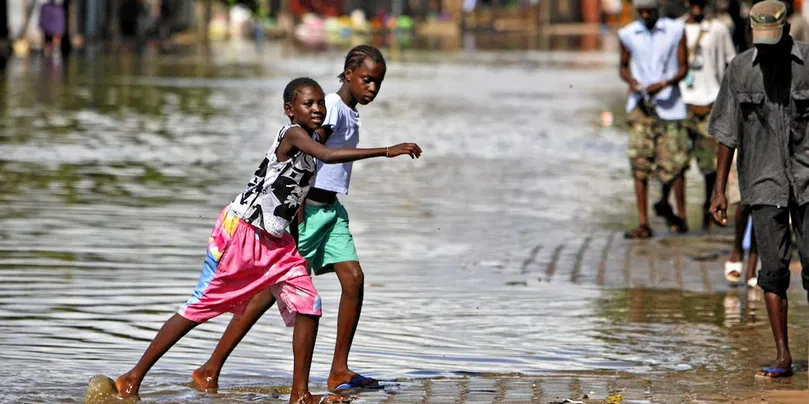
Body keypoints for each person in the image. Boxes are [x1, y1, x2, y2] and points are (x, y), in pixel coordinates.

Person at [110, 77, 422, 403]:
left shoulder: (315, 133)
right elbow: (326, 156)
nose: (317, 109)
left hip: (277, 240)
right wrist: (387, 150)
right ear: (290, 110)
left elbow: (305, 175)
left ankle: (300, 395)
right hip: (242, 231)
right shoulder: (293, 135)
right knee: (201, 307)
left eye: (319, 103)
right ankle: (131, 378)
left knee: (308, 305)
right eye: (309, 104)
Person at [191, 45, 396, 393]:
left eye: (377, 82)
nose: (372, 88)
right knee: (267, 293)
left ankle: (339, 371)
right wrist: (296, 212)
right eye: (366, 80)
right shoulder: (328, 107)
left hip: (332, 212)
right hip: (310, 211)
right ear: (348, 74)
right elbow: (314, 154)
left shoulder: (348, 110)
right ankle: (210, 367)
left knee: (354, 279)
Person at [709, 0, 809, 379]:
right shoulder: (740, 70)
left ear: (786, 32)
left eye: (774, 41)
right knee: (773, 271)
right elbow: (726, 133)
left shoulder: (808, 63)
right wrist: (719, 190)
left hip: (807, 180)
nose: (767, 50)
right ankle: (783, 356)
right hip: (763, 181)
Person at [619, 0, 690, 238]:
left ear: (658, 10)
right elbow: (623, 66)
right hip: (640, 106)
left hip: (670, 104)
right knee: (640, 165)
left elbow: (683, 67)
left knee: (675, 164)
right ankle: (643, 223)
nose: (646, 14)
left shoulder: (675, 30)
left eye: (650, 11)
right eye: (642, 11)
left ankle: (678, 214)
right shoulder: (628, 33)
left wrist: (663, 84)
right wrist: (632, 83)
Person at [677, 0, 737, 231]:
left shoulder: (719, 29)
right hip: (682, 104)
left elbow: (731, 62)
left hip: (711, 102)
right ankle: (681, 216)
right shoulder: (676, 27)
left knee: (711, 165)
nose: (697, 6)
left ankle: (708, 208)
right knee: (677, 164)